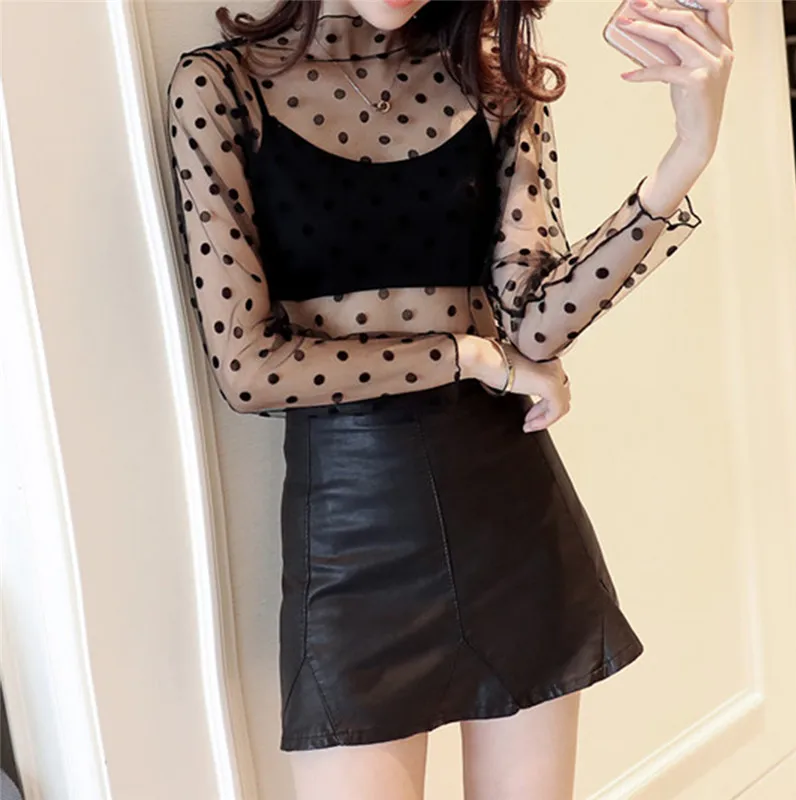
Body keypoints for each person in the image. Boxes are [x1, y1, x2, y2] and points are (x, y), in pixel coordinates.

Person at [165, 0, 732, 797]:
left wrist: (687, 152)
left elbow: (535, 324)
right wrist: (469, 356)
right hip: (350, 532)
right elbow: (248, 367)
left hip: (511, 516)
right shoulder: (221, 87)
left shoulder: (493, 85)